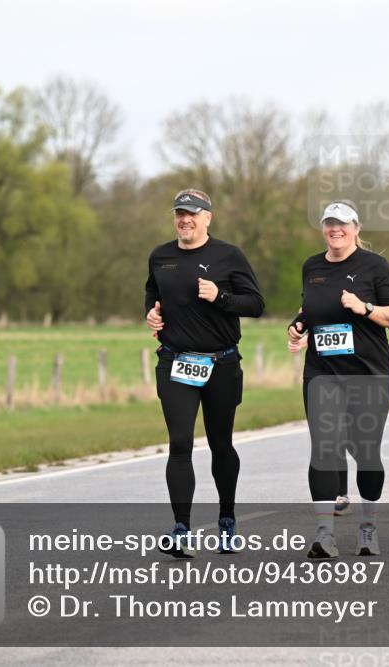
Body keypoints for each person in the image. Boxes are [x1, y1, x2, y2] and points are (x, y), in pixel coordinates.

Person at [145, 189, 265, 558]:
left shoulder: (228, 255)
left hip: (221, 364)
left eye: (193, 214)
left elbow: (257, 305)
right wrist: (151, 313)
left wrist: (221, 297)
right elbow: (153, 294)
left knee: (220, 444)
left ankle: (227, 521)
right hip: (176, 361)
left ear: (208, 218)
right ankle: (181, 529)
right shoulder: (160, 256)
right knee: (180, 443)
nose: (186, 220)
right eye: (180, 214)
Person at [287, 200, 389, 558]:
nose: (334, 229)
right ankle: (325, 534)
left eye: (341, 223)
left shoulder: (375, 266)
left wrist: (365, 308)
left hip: (368, 374)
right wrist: (297, 327)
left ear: (356, 228)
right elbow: (309, 310)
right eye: (328, 223)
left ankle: (368, 529)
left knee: (366, 453)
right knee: (323, 450)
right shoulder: (312, 267)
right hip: (322, 373)